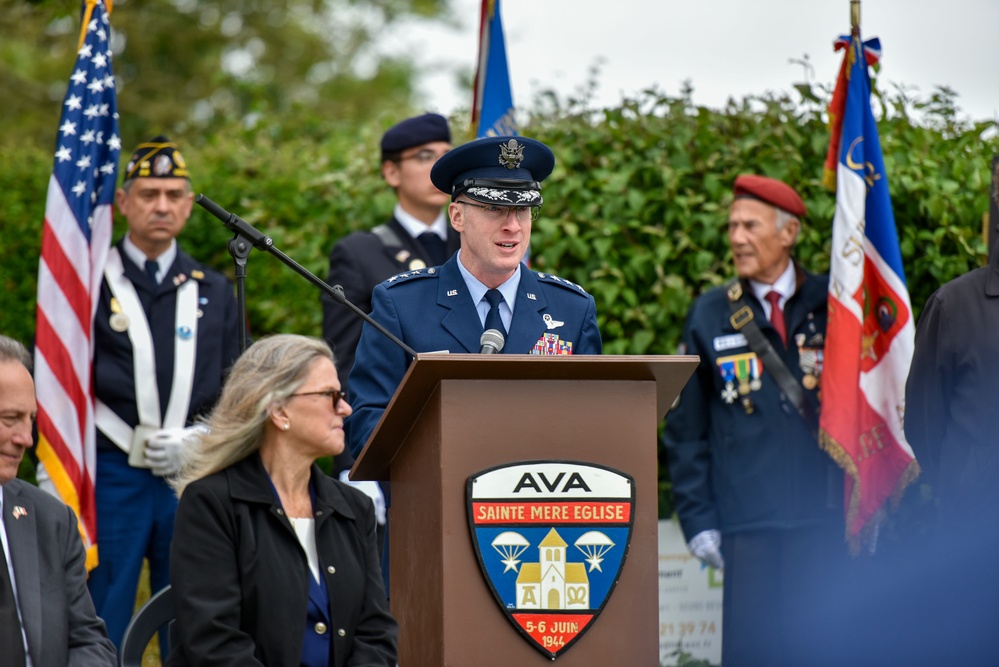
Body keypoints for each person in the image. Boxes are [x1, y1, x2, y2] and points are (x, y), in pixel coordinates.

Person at [662, 175, 845, 666]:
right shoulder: (709, 314)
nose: (737, 238)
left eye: (750, 226)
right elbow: (686, 431)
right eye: (732, 226)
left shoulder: (833, 305)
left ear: (789, 233)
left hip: (825, 520)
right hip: (748, 527)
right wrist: (698, 519)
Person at [347, 134, 603, 460]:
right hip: (437, 487)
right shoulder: (400, 305)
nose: (512, 226)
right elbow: (367, 427)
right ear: (457, 217)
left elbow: (594, 421)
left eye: (523, 210)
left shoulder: (573, 308)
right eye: (494, 208)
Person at [87, 136, 241, 648]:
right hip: (111, 471)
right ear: (122, 202)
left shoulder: (213, 289)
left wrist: (204, 437)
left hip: (190, 471)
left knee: (192, 611)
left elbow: (232, 386)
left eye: (174, 195)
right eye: (148, 193)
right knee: (103, 609)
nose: (162, 206)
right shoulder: (89, 284)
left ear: (190, 204)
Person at [167, 334, 397, 667]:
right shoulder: (211, 503)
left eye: (342, 395)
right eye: (329, 395)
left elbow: (376, 634)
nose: (345, 409)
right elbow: (215, 643)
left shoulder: (353, 508)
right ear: (278, 410)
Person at [320, 113, 456, 547]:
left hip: (465, 437)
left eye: (446, 155)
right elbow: (343, 361)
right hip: (394, 451)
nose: (439, 166)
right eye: (425, 156)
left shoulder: (477, 246)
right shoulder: (361, 253)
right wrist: (353, 462)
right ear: (391, 172)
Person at [0, 335, 117, 667]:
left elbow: (88, 640)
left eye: (30, 420)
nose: (26, 438)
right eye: (9, 419)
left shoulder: (50, 519)